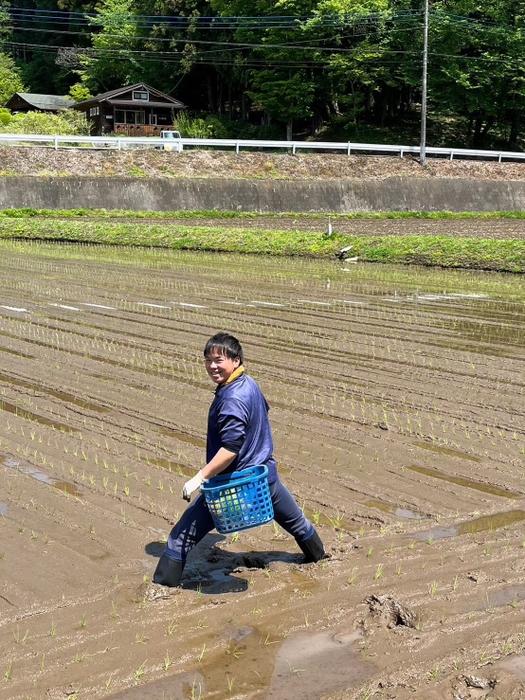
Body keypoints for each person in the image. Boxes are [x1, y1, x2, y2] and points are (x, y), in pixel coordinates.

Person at [153, 332, 325, 587]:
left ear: (235, 360)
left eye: (219, 360)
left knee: (180, 538)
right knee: (297, 522)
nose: (212, 366)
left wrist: (199, 478)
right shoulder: (248, 383)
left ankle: (161, 590)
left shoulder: (231, 398)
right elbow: (261, 413)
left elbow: (231, 448)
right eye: (208, 360)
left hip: (234, 485)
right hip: (264, 475)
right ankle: (321, 560)